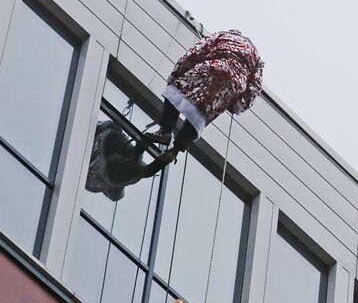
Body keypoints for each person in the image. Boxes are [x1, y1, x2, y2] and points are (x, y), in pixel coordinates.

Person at [85, 30, 263, 195]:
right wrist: (240, 104)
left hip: (212, 66)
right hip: (232, 85)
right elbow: (255, 85)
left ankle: (165, 131)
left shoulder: (222, 35)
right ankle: (176, 149)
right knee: (199, 117)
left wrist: (177, 73)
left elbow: (195, 52)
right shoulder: (257, 60)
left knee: (176, 93)